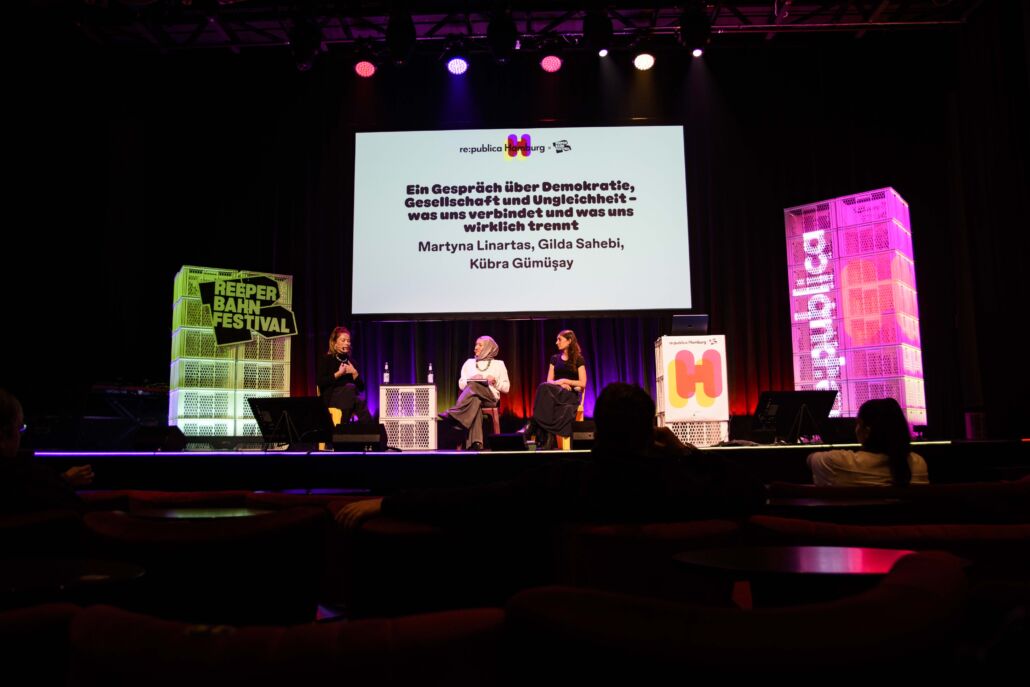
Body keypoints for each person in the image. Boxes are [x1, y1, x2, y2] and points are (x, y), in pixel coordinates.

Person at [338, 382, 763, 528]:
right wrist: (684, 453)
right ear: (652, 432)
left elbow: (474, 499)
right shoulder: (685, 484)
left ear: (595, 432)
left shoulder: (566, 480)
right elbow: (753, 489)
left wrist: (389, 503)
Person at [0, 389, 92, 514]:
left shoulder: (28, 478)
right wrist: (60, 483)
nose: (21, 436)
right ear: (4, 435)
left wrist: (64, 479)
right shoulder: (27, 474)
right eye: (20, 428)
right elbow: (77, 510)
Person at [807, 397, 929, 487]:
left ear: (867, 431)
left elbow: (810, 459)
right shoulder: (919, 464)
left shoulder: (837, 462)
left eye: (858, 424)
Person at [438, 336, 510, 450]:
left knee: (474, 385)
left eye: (480, 345)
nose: (476, 347)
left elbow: (506, 388)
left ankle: (455, 414)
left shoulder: (499, 364)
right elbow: (461, 384)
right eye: (476, 344)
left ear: (488, 347)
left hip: (490, 397)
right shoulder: (469, 363)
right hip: (473, 397)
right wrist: (471, 379)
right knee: (475, 400)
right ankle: (476, 444)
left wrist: (495, 381)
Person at [523, 329, 587, 450]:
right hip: (556, 392)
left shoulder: (579, 359)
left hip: (570, 395)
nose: (556, 342)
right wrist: (559, 384)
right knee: (543, 386)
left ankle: (535, 423)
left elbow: (583, 383)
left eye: (559, 339)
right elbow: (549, 381)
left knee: (544, 388)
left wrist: (565, 381)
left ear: (569, 341)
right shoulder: (555, 358)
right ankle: (548, 434)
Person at [316, 326, 371, 424]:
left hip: (349, 398)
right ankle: (345, 426)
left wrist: (354, 373)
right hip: (332, 396)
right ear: (334, 343)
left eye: (348, 341)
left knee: (358, 399)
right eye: (343, 340)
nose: (347, 343)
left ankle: (367, 430)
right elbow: (320, 382)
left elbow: (361, 388)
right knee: (352, 391)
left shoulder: (352, 362)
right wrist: (338, 374)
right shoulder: (327, 360)